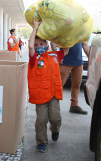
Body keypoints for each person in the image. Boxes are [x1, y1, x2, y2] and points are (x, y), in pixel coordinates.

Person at [28, 20, 69, 153]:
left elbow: (66, 50)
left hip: (54, 95)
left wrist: (56, 36)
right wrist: (35, 28)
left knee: (55, 119)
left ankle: (55, 130)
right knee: (41, 120)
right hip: (40, 96)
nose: (38, 46)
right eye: (36, 44)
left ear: (46, 44)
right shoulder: (34, 58)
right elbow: (29, 46)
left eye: (41, 44)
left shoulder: (54, 55)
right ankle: (41, 142)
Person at [51, 42, 90, 114]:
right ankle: (53, 106)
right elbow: (53, 42)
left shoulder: (81, 32)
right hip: (65, 61)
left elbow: (85, 44)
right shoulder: (64, 30)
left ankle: (74, 105)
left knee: (77, 84)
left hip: (78, 62)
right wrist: (57, 56)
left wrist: (90, 58)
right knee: (58, 85)